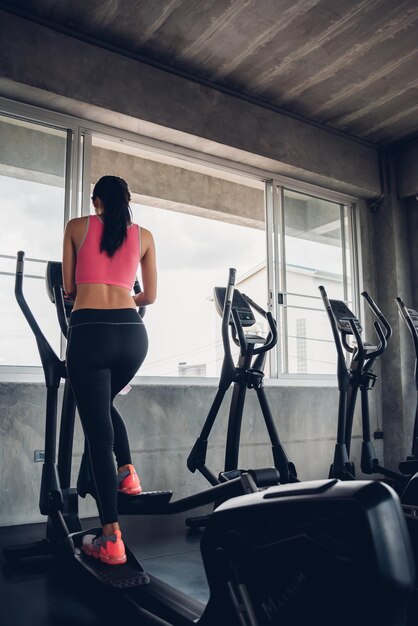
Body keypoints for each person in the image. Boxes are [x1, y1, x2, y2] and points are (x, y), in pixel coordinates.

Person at [62, 175, 157, 565]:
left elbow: (69, 289)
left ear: (95, 201)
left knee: (98, 434)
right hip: (134, 336)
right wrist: (124, 297)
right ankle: (127, 474)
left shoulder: (76, 227)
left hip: (89, 332)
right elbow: (149, 296)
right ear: (128, 200)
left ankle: (111, 539)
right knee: (101, 411)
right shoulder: (145, 235)